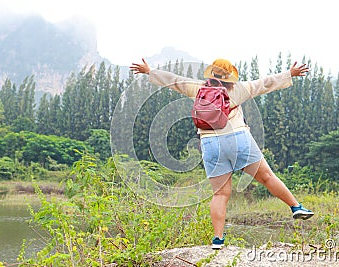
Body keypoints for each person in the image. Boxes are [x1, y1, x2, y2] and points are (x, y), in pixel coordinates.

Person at [130, 58, 314, 249]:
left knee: (220, 194)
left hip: (210, 144)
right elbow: (264, 84)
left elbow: (175, 81)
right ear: (230, 76)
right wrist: (289, 74)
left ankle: (218, 240)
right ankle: (295, 207)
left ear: (211, 74)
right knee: (267, 177)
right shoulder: (238, 90)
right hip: (238, 138)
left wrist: (149, 71)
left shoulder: (197, 89)